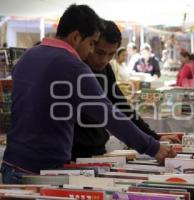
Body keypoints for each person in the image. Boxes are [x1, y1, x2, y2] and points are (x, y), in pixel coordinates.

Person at [1, 4, 174, 184]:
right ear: (76, 37)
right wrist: (153, 147)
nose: (91, 51)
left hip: (11, 164)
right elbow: (110, 115)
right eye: (91, 43)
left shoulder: (27, 57)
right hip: (41, 172)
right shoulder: (73, 66)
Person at [72, 20, 180, 160]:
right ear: (90, 44)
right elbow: (112, 116)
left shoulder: (106, 69)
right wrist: (152, 145)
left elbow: (122, 107)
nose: (104, 59)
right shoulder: (76, 69)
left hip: (96, 151)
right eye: (100, 52)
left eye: (111, 54)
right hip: (73, 154)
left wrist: (154, 137)